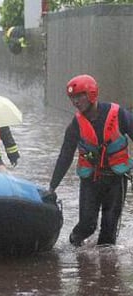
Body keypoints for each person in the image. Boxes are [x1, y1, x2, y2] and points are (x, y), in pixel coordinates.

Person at [48, 74, 133, 247]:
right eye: (73, 97)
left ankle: (107, 273)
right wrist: (52, 187)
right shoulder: (75, 125)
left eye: (80, 96)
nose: (75, 102)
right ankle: (74, 250)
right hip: (90, 181)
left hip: (116, 180)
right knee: (87, 225)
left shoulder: (119, 115)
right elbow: (65, 156)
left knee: (108, 233)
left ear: (92, 93)